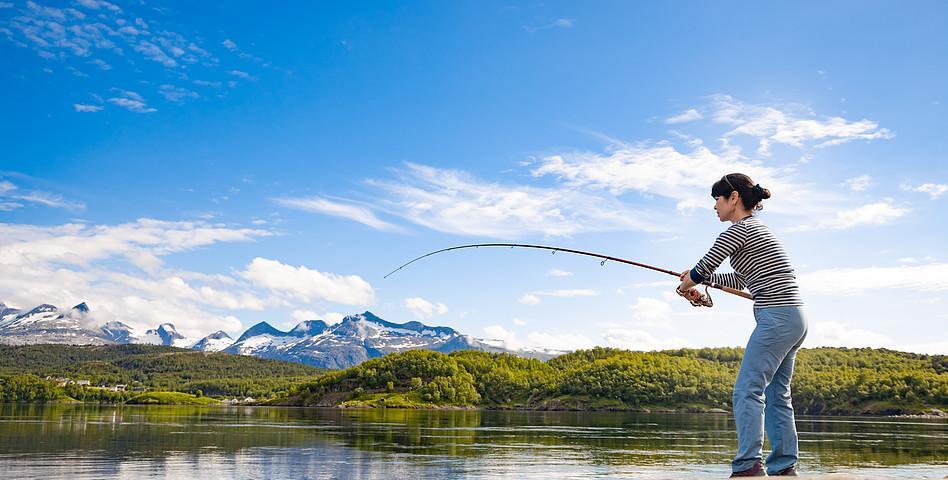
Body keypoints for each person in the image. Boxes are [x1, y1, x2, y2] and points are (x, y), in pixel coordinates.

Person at [676, 173, 807, 477]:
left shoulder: (739, 230)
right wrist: (701, 279)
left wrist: (688, 283)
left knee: (747, 391)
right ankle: (785, 466)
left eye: (717, 200)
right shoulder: (758, 230)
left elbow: (706, 265)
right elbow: (741, 279)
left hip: (776, 317)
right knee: (777, 394)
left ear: (733, 197)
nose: (714, 207)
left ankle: (748, 466)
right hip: (794, 318)